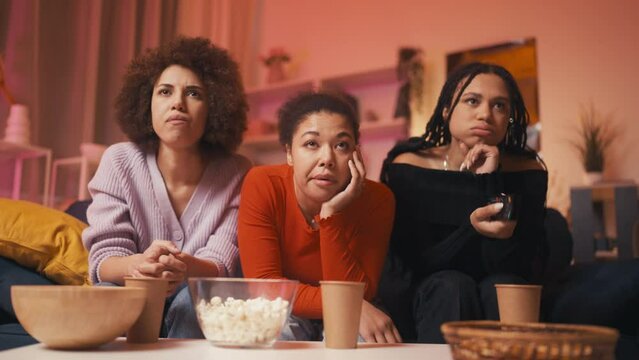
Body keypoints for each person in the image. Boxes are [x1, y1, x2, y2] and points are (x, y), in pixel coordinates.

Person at [82, 37, 251, 338]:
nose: (177, 103)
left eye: (194, 93)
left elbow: (223, 264)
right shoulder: (118, 161)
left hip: (196, 299)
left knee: (197, 300)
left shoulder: (237, 172)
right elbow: (104, 262)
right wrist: (140, 265)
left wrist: (185, 269)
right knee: (108, 293)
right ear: (146, 102)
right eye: (165, 91)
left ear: (215, 108)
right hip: (131, 287)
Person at [378, 62, 548, 343]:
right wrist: (470, 229)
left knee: (504, 286)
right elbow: (408, 266)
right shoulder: (409, 168)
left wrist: (490, 179)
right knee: (451, 285)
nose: (485, 114)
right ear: (447, 110)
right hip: (431, 295)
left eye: (499, 106)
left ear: (509, 118)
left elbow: (522, 267)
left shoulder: (527, 171)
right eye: (472, 101)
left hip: (499, 285)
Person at [238, 91, 402, 343]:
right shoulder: (262, 184)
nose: (327, 159)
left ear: (356, 154)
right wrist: (348, 304)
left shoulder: (378, 200)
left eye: (341, 145)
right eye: (311, 144)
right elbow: (264, 286)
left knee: (360, 337)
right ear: (289, 153)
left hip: (354, 307)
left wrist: (330, 216)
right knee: (271, 329)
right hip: (285, 308)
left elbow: (362, 292)